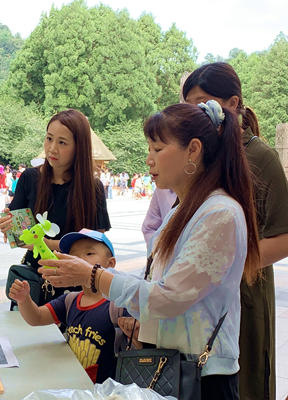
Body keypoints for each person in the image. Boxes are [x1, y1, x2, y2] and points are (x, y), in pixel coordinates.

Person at [40, 101, 261, 400]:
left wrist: (93, 276)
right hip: (169, 367)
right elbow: (155, 289)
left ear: (193, 150)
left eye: (157, 149)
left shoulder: (219, 214)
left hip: (202, 378)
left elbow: (168, 298)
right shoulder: (181, 211)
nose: (149, 159)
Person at [183, 62, 288, 400]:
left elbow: (284, 236)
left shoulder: (260, 157)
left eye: (202, 104)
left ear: (232, 103)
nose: (194, 115)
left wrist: (231, 262)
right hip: (197, 296)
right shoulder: (199, 157)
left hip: (245, 291)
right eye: (189, 107)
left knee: (244, 382)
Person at [0, 109, 111, 310]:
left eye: (62, 142)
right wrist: (7, 225)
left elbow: (95, 247)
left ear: (79, 147)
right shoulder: (30, 178)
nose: (52, 149)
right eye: (49, 138)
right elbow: (20, 236)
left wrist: (44, 243)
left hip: (74, 281)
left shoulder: (92, 188)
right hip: (33, 278)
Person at [9, 229, 135, 383]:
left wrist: (134, 334)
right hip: (72, 384)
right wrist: (24, 300)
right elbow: (37, 317)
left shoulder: (119, 305)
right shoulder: (70, 301)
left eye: (89, 254)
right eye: (74, 256)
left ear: (110, 263)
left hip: (105, 391)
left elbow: (138, 348)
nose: (79, 260)